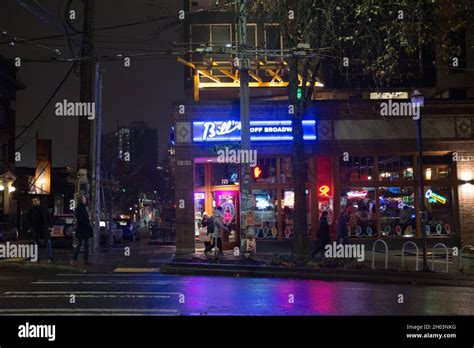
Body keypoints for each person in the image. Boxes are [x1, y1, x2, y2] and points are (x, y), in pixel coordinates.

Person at [27, 196, 54, 262]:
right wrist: (30, 227)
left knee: (47, 242)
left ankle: (49, 257)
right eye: (33, 201)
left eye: (35, 201)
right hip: (36, 228)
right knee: (37, 242)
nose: (34, 203)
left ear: (39, 201)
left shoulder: (44, 208)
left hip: (44, 227)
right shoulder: (32, 209)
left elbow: (48, 217)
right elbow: (29, 219)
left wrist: (51, 226)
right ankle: (37, 257)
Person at [71, 194, 94, 265]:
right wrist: (87, 222)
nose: (85, 199)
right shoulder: (80, 208)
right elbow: (81, 219)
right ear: (81, 200)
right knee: (81, 244)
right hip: (82, 228)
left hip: (84, 228)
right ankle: (75, 258)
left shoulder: (83, 207)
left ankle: (85, 259)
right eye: (84, 198)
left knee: (85, 244)